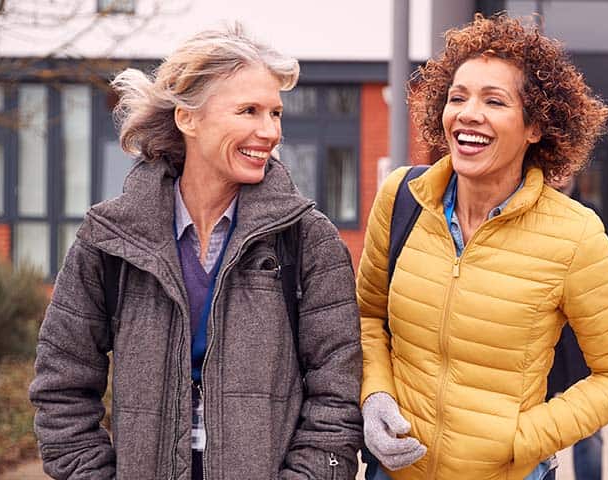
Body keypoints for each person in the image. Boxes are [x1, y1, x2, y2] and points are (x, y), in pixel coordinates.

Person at [29, 26, 363, 479]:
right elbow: (61, 384)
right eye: (249, 111)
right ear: (188, 118)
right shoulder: (109, 240)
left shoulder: (308, 240)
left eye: (276, 113)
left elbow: (337, 395)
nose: (269, 131)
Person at [356, 14, 608, 480]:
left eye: (494, 101)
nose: (469, 114)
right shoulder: (401, 198)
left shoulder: (576, 233)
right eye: (458, 97)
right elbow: (369, 317)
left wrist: (522, 439)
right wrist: (375, 395)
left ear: (535, 129)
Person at [545, 176, 606, 480]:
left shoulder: (590, 213)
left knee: (589, 431)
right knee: (534, 434)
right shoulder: (529, 211)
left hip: (581, 342)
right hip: (539, 342)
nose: (562, 174)